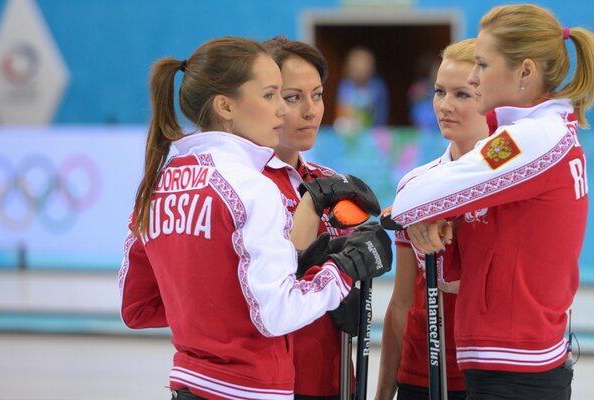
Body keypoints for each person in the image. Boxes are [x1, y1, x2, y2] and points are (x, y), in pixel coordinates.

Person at [118, 37, 393, 400]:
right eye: (278, 95)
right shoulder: (251, 186)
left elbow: (139, 305)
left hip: (218, 380)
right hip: (258, 383)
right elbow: (274, 311)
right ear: (225, 106)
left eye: (317, 94)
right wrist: (337, 274)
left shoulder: (161, 179)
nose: (292, 110)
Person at [388, 4, 594, 399]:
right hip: (508, 361)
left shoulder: (528, 139)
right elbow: (454, 265)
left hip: (516, 368)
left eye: (482, 65)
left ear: (525, 72)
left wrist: (420, 215)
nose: (475, 77)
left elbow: (411, 200)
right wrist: (433, 219)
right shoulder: (534, 133)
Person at [375, 38, 488, 400]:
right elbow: (402, 301)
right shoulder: (417, 184)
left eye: (462, 95)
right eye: (440, 92)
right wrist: (382, 393)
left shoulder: (515, 180)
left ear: (490, 98)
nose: (444, 106)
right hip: (421, 375)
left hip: (492, 374)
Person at [262, 35, 363, 399]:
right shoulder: (243, 184)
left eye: (317, 95)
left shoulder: (328, 180)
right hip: (273, 380)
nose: (311, 110)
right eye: (293, 97)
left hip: (333, 377)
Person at [334, 47, 390, 135]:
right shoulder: (345, 86)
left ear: (371, 69)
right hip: (350, 133)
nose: (360, 73)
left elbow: (382, 114)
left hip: (373, 133)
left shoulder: (378, 87)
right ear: (350, 69)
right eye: (357, 69)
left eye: (364, 70)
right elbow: (341, 113)